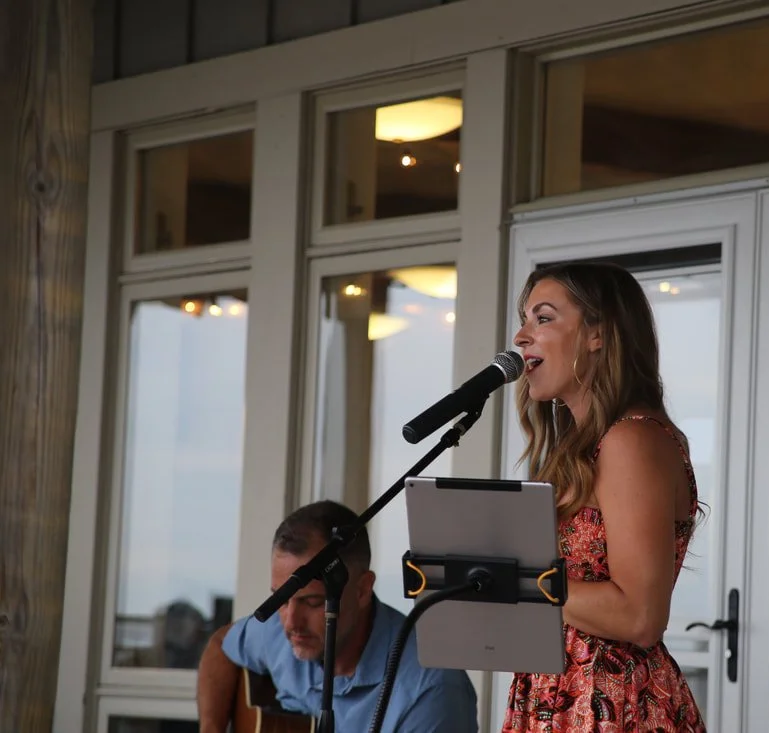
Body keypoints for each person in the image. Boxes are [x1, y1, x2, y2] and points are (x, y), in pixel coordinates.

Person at [502, 261, 706, 731]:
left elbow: (640, 616)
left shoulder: (631, 441)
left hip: (612, 701)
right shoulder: (584, 447)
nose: (521, 336)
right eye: (525, 318)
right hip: (559, 693)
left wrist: (513, 580)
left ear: (598, 334)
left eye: (543, 317)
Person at [197, 499, 479, 733]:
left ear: (362, 590)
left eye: (313, 602)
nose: (291, 622)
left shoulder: (433, 691)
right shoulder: (280, 632)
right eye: (281, 600)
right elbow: (221, 646)